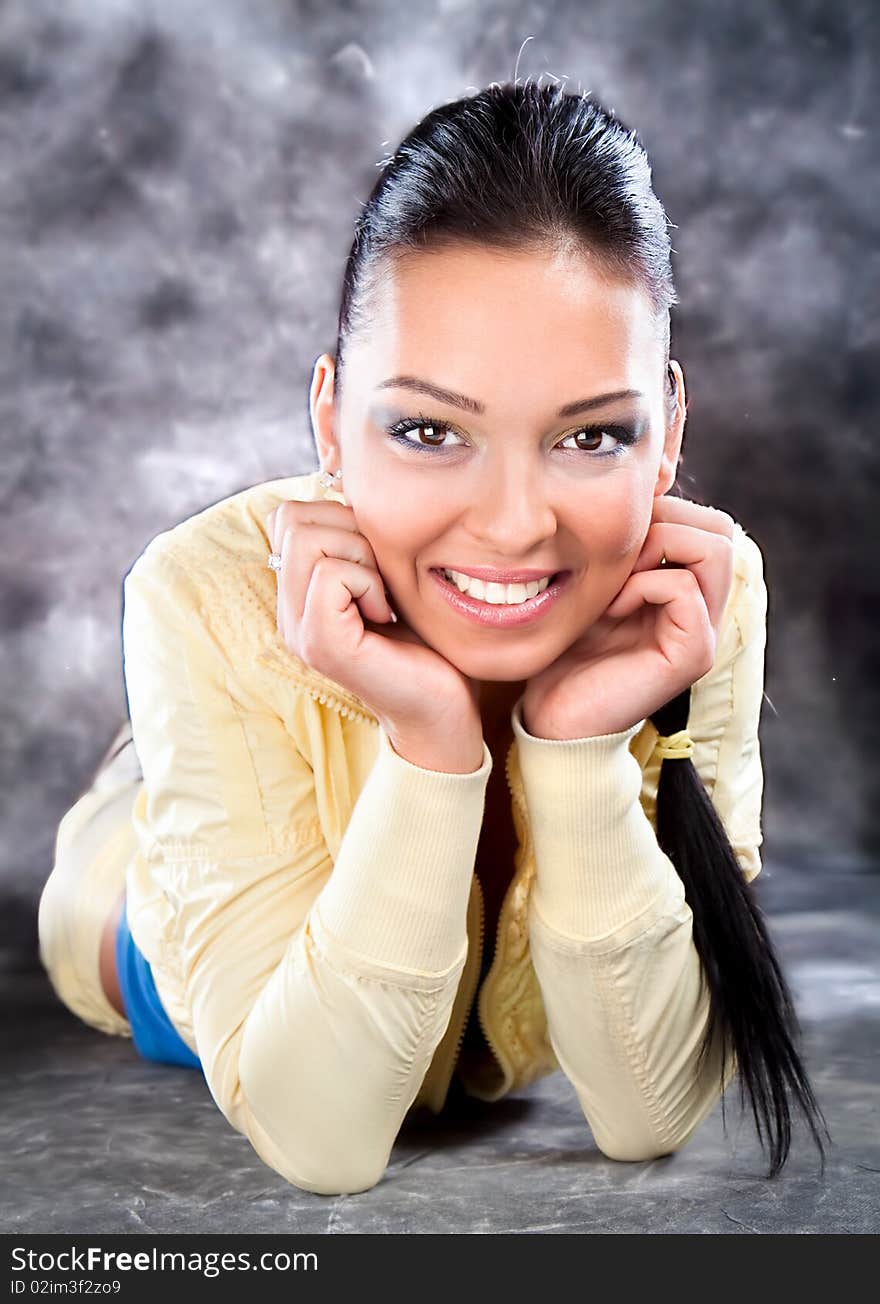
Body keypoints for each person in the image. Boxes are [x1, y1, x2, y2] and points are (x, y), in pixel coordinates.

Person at [37, 78, 831, 1196]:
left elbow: (649, 1110)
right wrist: (431, 742)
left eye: (592, 435)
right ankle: (149, 767)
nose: (513, 523)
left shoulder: (695, 588)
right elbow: (323, 1137)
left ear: (668, 434)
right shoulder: (199, 593)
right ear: (329, 421)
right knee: (107, 898)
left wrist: (568, 745)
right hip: (160, 915)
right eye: (427, 429)